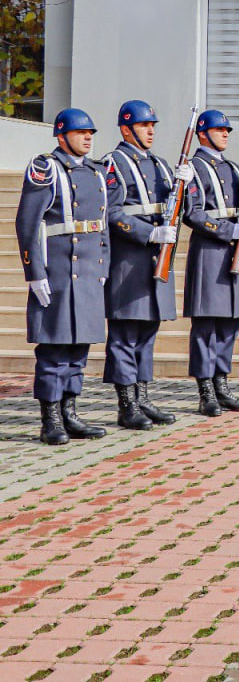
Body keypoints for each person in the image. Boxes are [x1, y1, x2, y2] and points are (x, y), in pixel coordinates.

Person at [16, 108, 112, 445]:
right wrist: (34, 272)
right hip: (58, 271)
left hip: (87, 271)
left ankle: (70, 412)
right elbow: (28, 223)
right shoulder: (46, 168)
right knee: (54, 349)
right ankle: (50, 418)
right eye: (80, 132)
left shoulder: (97, 172)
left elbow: (102, 228)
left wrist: (104, 268)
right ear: (61, 136)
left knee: (78, 348)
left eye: (90, 133)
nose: (87, 137)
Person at [102, 99, 188, 430]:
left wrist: (185, 184)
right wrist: (149, 233)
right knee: (125, 334)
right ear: (126, 129)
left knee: (148, 332)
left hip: (155, 260)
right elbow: (112, 214)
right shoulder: (114, 164)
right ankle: (126, 404)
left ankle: (143, 396)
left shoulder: (162, 165)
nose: (150, 130)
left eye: (153, 125)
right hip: (130, 261)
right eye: (143, 125)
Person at [182, 109, 239, 416]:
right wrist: (229, 231)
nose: (226, 134)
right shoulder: (193, 167)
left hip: (236, 250)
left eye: (227, 130)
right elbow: (192, 213)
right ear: (203, 134)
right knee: (207, 326)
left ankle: (222, 385)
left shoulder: (232, 167)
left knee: (231, 322)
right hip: (210, 252)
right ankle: (206, 391)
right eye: (220, 130)